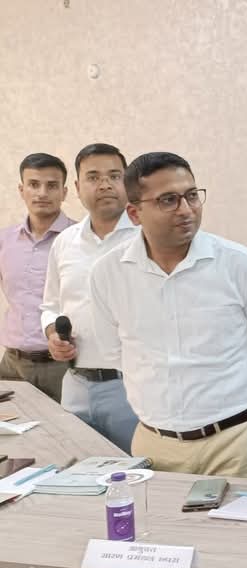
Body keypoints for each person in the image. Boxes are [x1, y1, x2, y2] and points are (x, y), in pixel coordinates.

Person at [89, 152, 247, 477]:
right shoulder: (108, 273)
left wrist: (235, 398)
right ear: (135, 213)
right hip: (155, 444)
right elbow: (114, 350)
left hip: (235, 441)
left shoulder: (241, 264)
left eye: (192, 196)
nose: (186, 210)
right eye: (168, 200)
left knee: (241, 514)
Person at [40, 143, 140, 453]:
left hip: (133, 388)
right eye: (93, 177)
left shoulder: (147, 238)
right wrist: (52, 333)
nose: (105, 184)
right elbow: (51, 306)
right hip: (76, 384)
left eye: (114, 176)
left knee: (141, 473)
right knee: (79, 468)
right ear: (77, 187)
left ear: (128, 183)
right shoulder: (65, 242)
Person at [0, 153, 75, 401]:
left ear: (64, 192)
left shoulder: (81, 240)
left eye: (51, 185)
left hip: (65, 368)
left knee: (68, 428)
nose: (42, 193)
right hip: (11, 365)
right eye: (33, 184)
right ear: (21, 190)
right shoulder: (4, 241)